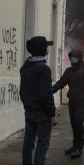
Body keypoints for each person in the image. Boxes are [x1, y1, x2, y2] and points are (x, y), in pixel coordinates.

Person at [51, 49, 84, 158]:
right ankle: (75, 146)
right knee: (74, 124)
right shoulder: (68, 71)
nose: (72, 58)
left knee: (78, 121)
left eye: (74, 56)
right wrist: (50, 90)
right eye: (71, 56)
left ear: (79, 57)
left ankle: (79, 147)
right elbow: (61, 83)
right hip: (73, 100)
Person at [20, 36, 58, 165]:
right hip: (42, 114)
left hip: (29, 111)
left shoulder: (24, 67)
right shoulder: (43, 69)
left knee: (28, 143)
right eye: (46, 46)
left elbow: (22, 91)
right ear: (42, 49)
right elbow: (46, 95)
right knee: (42, 145)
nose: (48, 49)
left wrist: (27, 106)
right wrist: (52, 114)